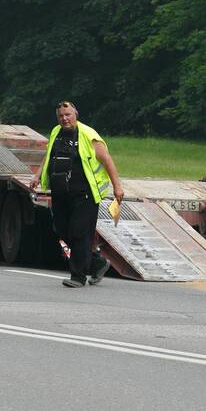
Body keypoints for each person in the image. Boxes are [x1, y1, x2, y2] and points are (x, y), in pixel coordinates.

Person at [31, 101, 125, 288]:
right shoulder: (56, 132)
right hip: (60, 193)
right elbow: (49, 154)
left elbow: (107, 160)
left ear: (76, 114)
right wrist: (38, 174)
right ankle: (97, 263)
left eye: (68, 115)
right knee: (62, 230)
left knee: (79, 233)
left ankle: (78, 277)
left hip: (85, 194)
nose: (64, 119)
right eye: (61, 116)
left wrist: (117, 187)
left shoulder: (88, 135)